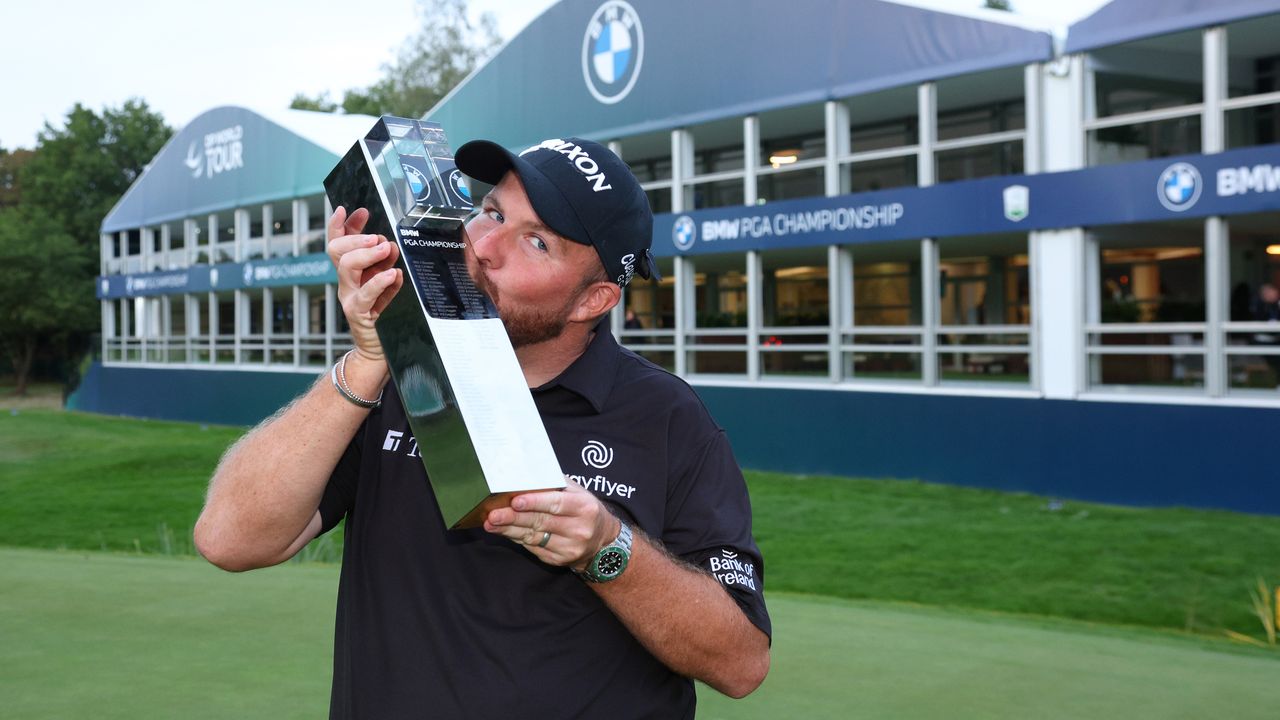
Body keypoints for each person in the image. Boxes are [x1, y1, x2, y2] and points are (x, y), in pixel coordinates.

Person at [194, 137, 771, 718]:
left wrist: (606, 548)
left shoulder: (667, 419)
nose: (484, 246)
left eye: (536, 241)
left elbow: (741, 663)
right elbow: (230, 540)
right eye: (492, 211)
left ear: (592, 299)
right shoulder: (398, 378)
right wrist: (371, 357)